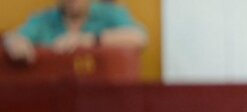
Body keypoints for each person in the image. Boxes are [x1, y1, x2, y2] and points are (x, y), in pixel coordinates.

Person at [3, 0, 146, 65]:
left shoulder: (110, 13)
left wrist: (86, 40)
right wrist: (14, 42)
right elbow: (15, 37)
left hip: (103, 99)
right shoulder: (44, 19)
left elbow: (139, 37)